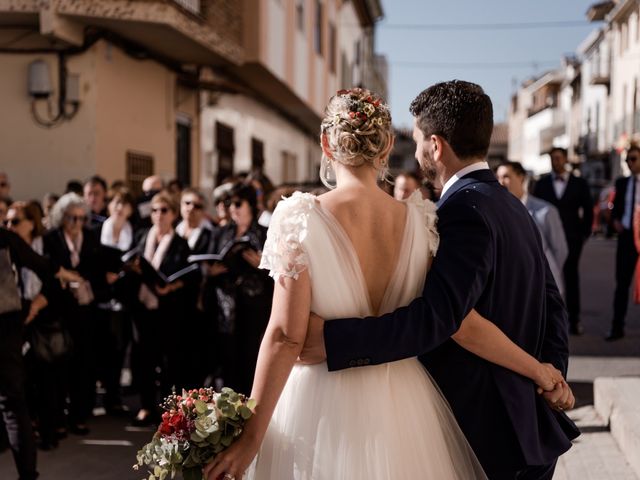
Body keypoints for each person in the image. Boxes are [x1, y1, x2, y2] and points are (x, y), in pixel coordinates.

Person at [204, 87, 573, 480]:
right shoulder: (423, 220)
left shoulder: (299, 217)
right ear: (386, 147)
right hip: (408, 405)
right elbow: (469, 319)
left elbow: (285, 337)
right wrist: (543, 370)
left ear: (327, 144)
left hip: (321, 400)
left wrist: (251, 435)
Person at [129, 191, 198, 426]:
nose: (159, 215)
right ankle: (146, 407)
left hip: (168, 309)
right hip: (142, 306)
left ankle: (170, 411)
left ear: (173, 215)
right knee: (144, 360)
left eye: (164, 210)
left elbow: (188, 276)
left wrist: (172, 286)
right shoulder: (141, 236)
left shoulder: (180, 243)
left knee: (170, 361)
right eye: (155, 210)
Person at [44, 193, 106, 436]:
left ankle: (79, 416)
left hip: (85, 308)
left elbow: (96, 268)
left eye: (82, 219)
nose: (77, 224)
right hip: (60, 309)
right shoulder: (51, 239)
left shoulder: (90, 237)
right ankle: (58, 417)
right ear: (62, 217)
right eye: (72, 218)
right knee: (60, 366)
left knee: (83, 363)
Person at [6, 201, 65, 451]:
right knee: (22, 384)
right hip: (18, 322)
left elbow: (56, 282)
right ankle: (27, 432)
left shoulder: (47, 247)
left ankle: (49, 431)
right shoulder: (8, 248)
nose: (9, 226)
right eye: (6, 221)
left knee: (46, 381)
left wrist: (37, 306)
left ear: (32, 223)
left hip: (43, 322)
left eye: (15, 221)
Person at [206, 183, 273, 395]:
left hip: (254, 306)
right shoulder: (220, 233)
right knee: (227, 360)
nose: (232, 208)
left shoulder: (265, 233)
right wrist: (212, 272)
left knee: (250, 358)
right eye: (228, 203)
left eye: (237, 203)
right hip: (225, 307)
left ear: (250, 205)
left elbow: (278, 272)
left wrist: (262, 264)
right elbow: (209, 260)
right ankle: (227, 412)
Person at [533, 147, 593, 335]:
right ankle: (548, 320)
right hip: (547, 241)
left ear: (565, 159)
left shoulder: (579, 183)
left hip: (572, 239)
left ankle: (574, 321)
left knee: (571, 278)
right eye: (552, 158)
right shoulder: (542, 183)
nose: (555, 162)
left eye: (558, 158)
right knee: (548, 280)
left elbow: (589, 210)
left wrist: (583, 234)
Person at [497, 161, 568, 298]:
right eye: (498, 178)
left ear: (521, 177)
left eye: (506, 176)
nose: (501, 182)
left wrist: (543, 276)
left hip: (545, 290)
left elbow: (560, 250)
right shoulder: (498, 211)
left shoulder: (546, 211)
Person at [96, 189, 136, 414]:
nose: (120, 208)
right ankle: (102, 394)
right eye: (116, 203)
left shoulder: (135, 233)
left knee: (120, 350)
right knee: (103, 349)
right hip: (101, 300)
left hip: (124, 300)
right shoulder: (97, 230)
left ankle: (114, 396)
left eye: (125, 204)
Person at [608, 145, 640, 340]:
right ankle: (616, 328)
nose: (630, 163)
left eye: (634, 159)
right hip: (627, 238)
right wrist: (616, 221)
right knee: (621, 284)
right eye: (628, 160)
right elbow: (615, 208)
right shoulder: (622, 183)